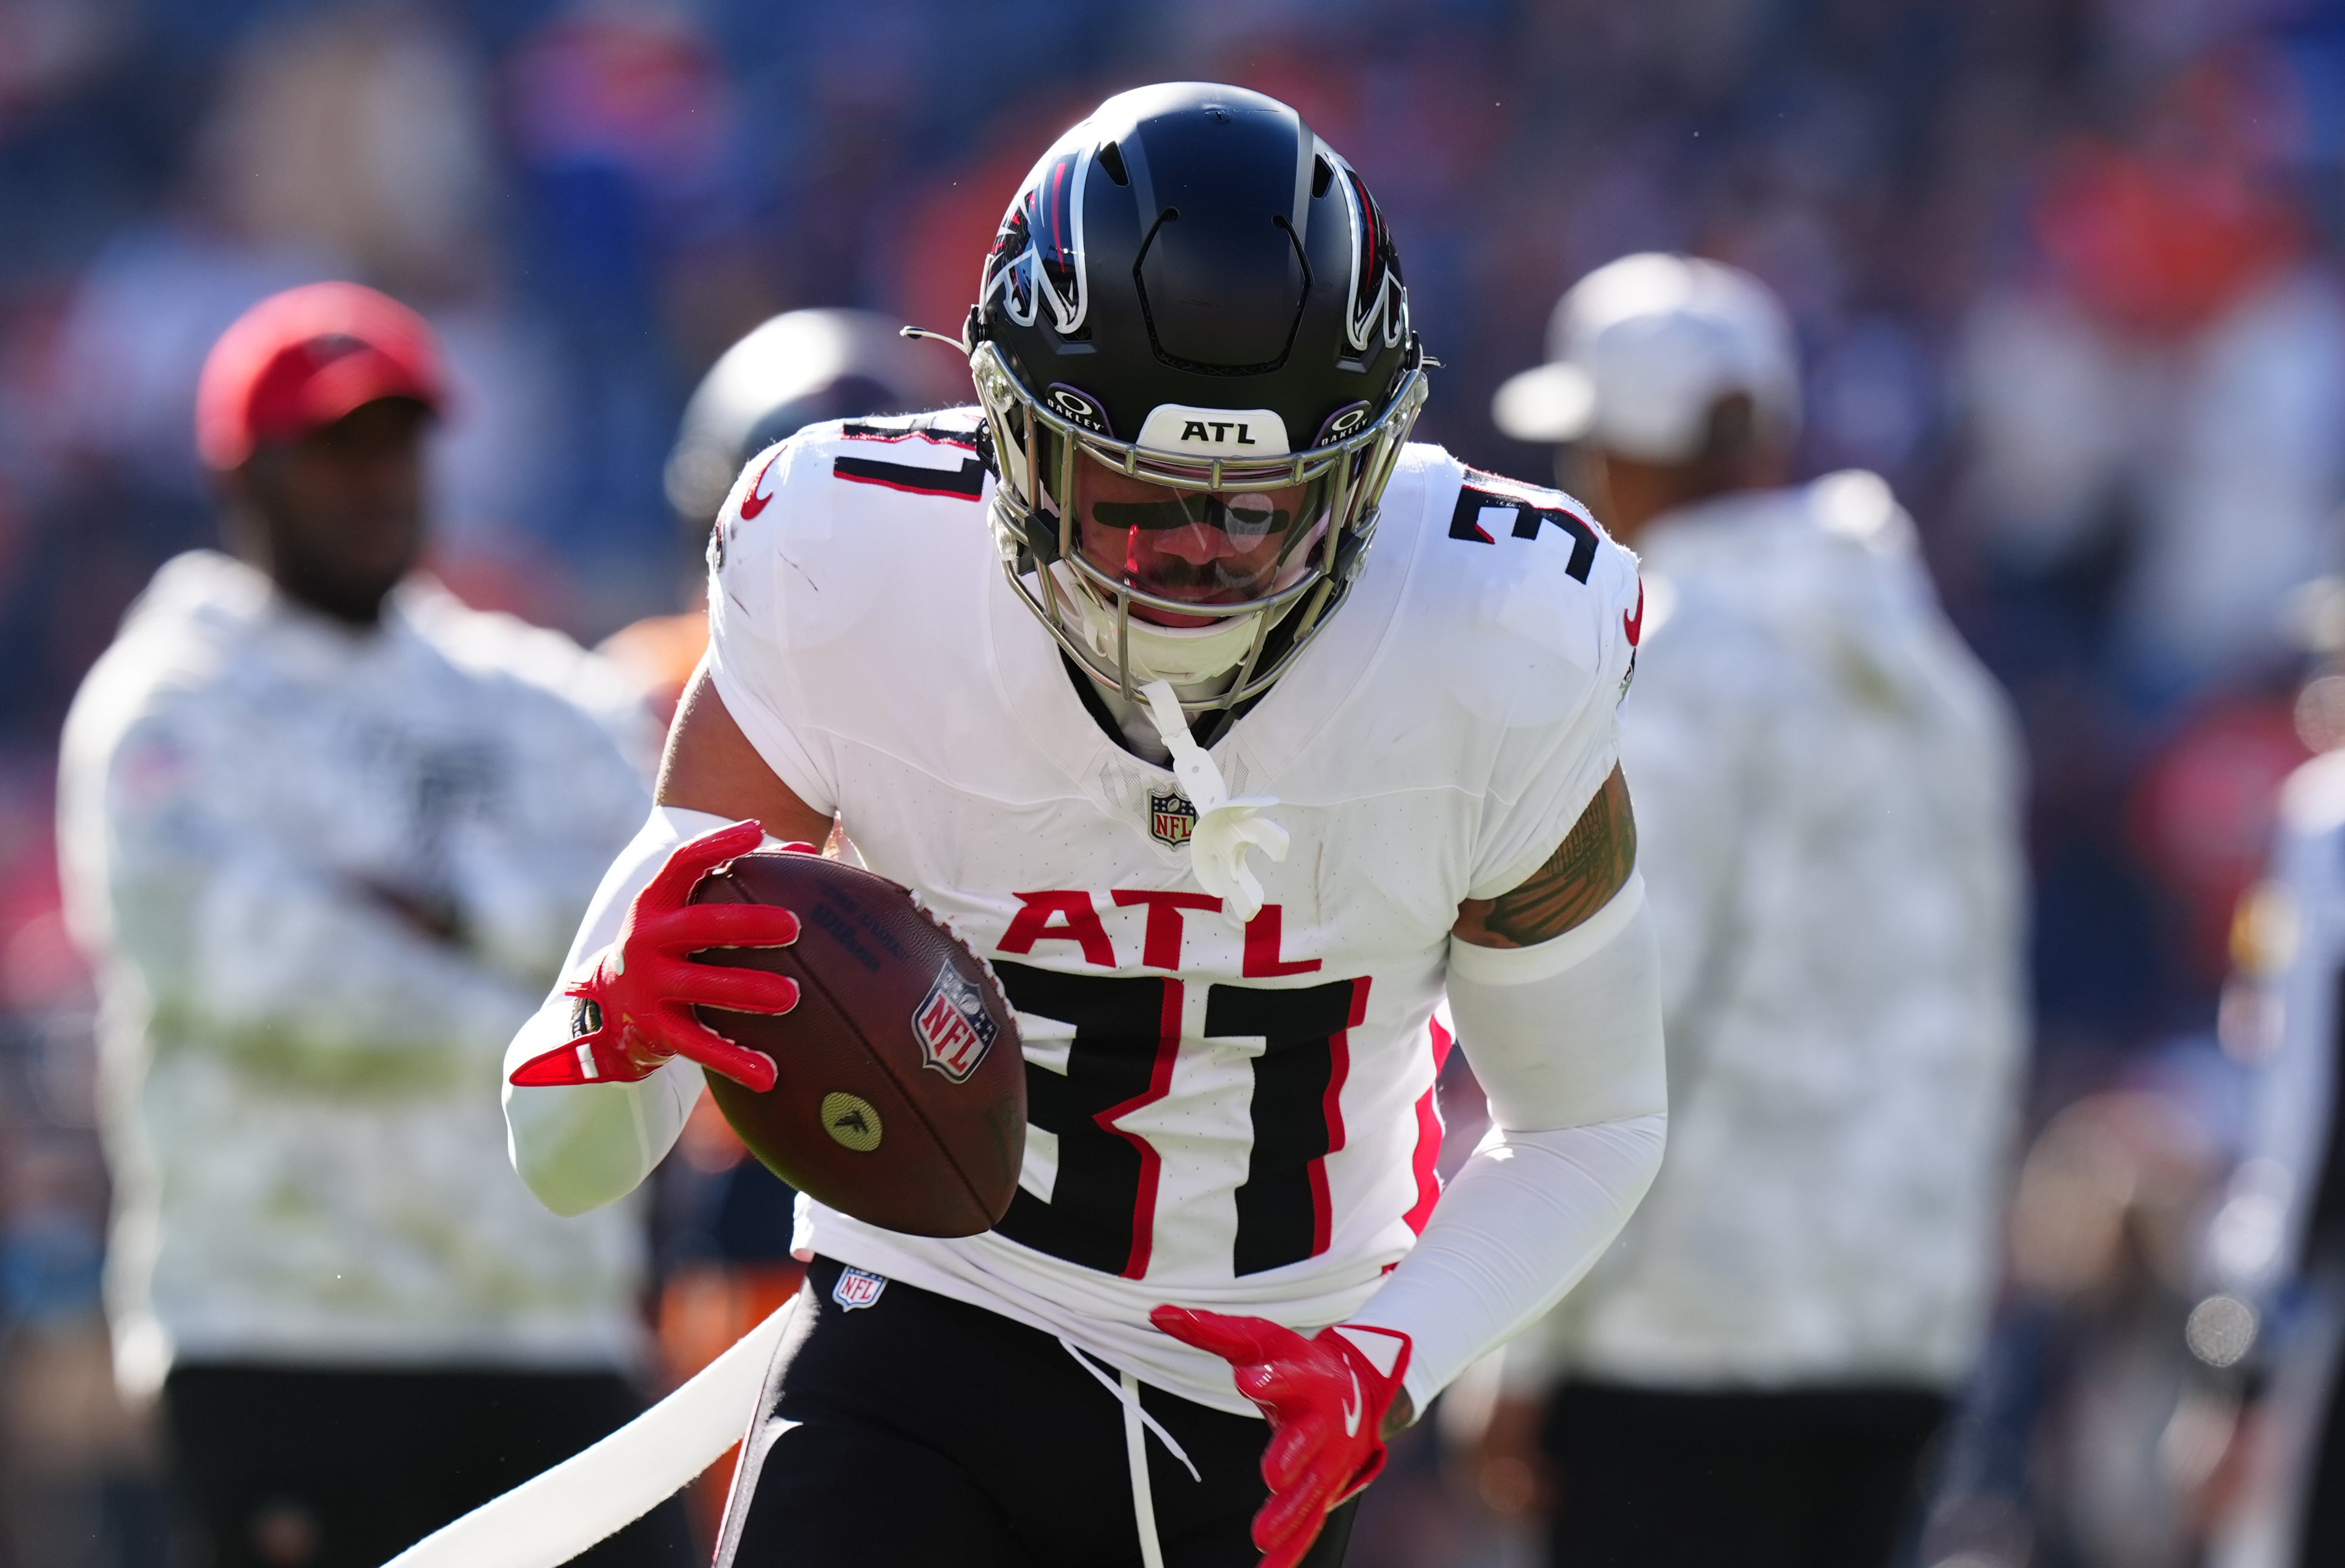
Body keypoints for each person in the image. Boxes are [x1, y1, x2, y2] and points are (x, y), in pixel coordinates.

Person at [502, 83, 1666, 1568]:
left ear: (1362, 470)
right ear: (1010, 431)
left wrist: (1395, 1353)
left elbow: (1591, 1119)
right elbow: (566, 1160)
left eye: (1263, 502)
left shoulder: (1498, 633)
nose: (1196, 552)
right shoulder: (847, 563)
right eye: (1133, 490)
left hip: (1267, 1392)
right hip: (920, 1315)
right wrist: (616, 1019)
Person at [55, 282, 688, 1568]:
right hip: (285, 1340)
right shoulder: (168, 704)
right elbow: (266, 975)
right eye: (334, 447)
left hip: (550, 1329)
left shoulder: (534, 696)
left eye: (397, 441)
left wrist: (442, 910)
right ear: (245, 473)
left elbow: (658, 899)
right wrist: (565, 1001)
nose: (376, 478)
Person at [1478, 252, 2027, 1568]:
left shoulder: (1670, 663)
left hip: (1674, 1344)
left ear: (1623, 452)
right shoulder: (1940, 677)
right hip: (1898, 1339)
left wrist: (1515, 1328)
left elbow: (1617, 1019)